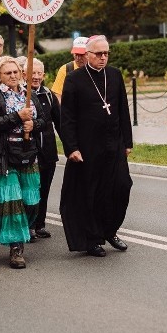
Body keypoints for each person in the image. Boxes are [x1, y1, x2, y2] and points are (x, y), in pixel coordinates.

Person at [60, 36, 133, 257]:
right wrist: (71, 147)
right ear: (87, 55)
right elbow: (68, 118)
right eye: (98, 54)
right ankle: (92, 239)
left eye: (106, 53)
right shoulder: (74, 79)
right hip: (88, 147)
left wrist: (127, 141)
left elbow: (123, 109)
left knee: (121, 187)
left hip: (114, 144)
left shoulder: (114, 74)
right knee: (91, 193)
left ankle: (110, 230)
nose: (103, 58)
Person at [0, 56, 46, 269]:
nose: (12, 76)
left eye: (15, 72)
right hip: (4, 156)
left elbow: (44, 120)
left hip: (28, 154)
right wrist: (18, 117)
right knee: (13, 203)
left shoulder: (30, 94)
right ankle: (16, 249)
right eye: (7, 73)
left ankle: (22, 232)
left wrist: (33, 125)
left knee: (31, 201)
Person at [30, 59, 60, 239]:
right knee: (31, 188)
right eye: (32, 73)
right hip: (29, 151)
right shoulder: (21, 95)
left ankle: (40, 223)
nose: (36, 77)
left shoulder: (48, 94)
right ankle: (29, 224)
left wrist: (72, 147)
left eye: (39, 73)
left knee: (44, 189)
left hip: (48, 151)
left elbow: (60, 122)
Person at [51, 37, 89, 101]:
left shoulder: (97, 69)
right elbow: (57, 95)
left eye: (81, 54)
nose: (78, 58)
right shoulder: (66, 69)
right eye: (76, 54)